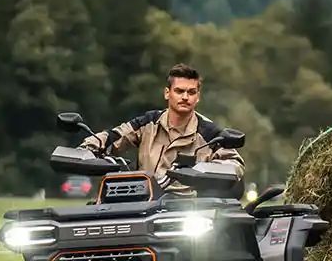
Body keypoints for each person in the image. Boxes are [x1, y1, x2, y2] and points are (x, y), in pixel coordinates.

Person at [84, 63, 242, 196]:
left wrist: (202, 171)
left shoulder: (210, 133)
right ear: (167, 93)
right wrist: (86, 149)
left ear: (198, 96)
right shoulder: (149, 122)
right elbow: (114, 136)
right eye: (179, 91)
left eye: (191, 92)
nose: (185, 97)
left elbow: (235, 164)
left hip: (186, 210)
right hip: (141, 200)